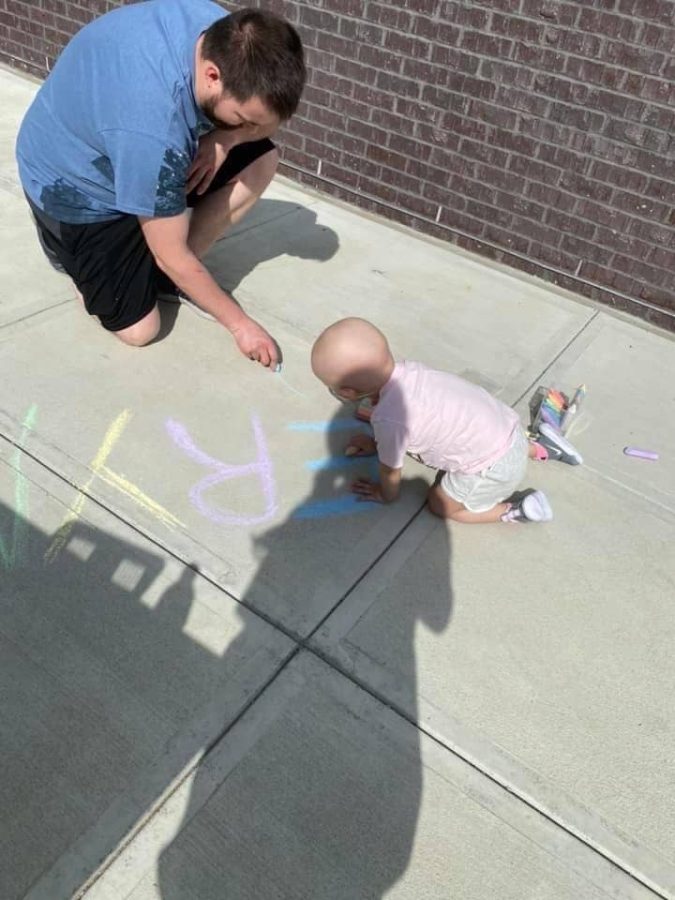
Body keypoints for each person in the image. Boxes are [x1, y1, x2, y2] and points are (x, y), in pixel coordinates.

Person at [16, 0, 305, 366]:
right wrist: (240, 325)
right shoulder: (154, 128)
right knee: (141, 330)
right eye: (244, 119)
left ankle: (163, 270)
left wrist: (226, 138)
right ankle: (65, 252)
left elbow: (262, 122)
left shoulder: (227, 34)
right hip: (72, 189)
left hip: (120, 143)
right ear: (213, 76)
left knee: (261, 161)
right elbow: (171, 254)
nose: (254, 129)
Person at [311, 318, 579, 524]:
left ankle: (518, 511)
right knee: (485, 436)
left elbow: (391, 470)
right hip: (507, 429)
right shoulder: (412, 371)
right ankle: (544, 448)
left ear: (348, 392)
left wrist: (385, 494)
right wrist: (378, 442)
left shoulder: (389, 420)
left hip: (490, 467)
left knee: (441, 506)